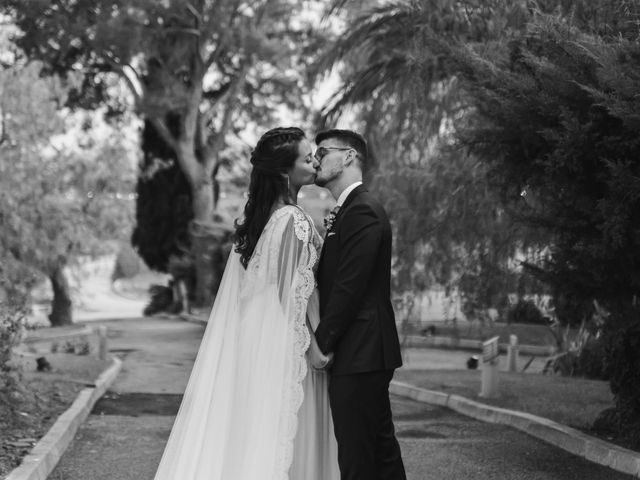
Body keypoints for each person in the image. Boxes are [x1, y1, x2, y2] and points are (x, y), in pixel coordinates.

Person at [153, 127, 339, 480]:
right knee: (288, 434)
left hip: (265, 335)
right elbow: (289, 294)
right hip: (291, 340)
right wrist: (312, 348)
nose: (314, 161)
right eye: (306, 157)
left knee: (259, 433)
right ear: (286, 171)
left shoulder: (269, 216)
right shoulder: (292, 219)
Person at [313, 129, 406, 480]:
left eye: (323, 152)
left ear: (349, 156)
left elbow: (350, 288)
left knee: (358, 458)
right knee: (379, 453)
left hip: (362, 350)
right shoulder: (348, 210)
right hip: (362, 351)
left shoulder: (363, 210)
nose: (316, 160)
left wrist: (321, 343)